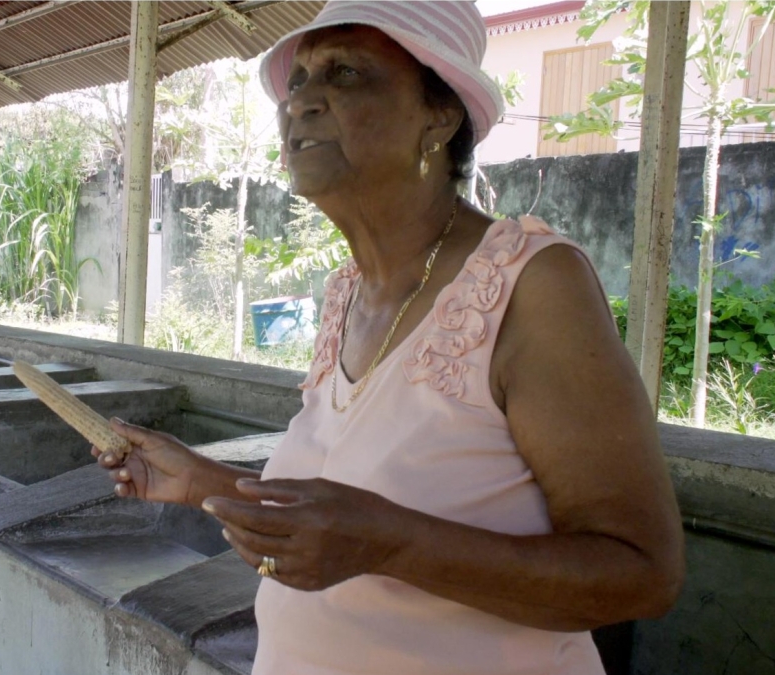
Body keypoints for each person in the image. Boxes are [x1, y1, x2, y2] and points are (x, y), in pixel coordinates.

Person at [93, 2, 684, 673]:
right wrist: (204, 480)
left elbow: (642, 573)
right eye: (297, 81)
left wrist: (393, 546)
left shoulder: (532, 285)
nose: (303, 103)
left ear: (439, 116)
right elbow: (340, 513)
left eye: (345, 74)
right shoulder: (347, 292)